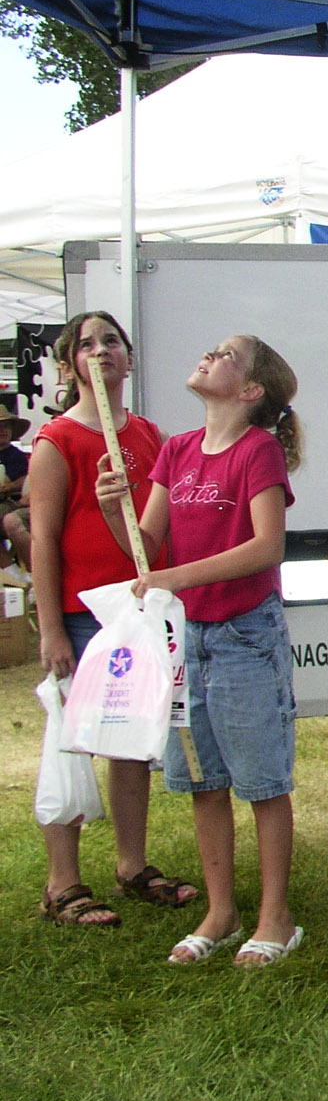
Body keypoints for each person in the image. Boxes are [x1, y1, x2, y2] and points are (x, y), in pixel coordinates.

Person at [98, 334, 303, 967]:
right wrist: (115, 511)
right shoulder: (177, 451)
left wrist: (174, 580)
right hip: (186, 639)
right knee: (202, 780)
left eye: (226, 355)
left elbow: (267, 546)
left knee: (263, 782)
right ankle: (221, 911)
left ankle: (277, 916)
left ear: (250, 391)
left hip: (244, 635)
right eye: (210, 349)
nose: (208, 355)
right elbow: (148, 544)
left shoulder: (258, 451)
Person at [33, 311, 198, 929]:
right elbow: (43, 540)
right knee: (71, 739)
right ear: (69, 363)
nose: (99, 351)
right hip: (82, 615)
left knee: (131, 740)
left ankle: (132, 864)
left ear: (128, 359)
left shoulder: (150, 435)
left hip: (136, 610)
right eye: (85, 344)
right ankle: (62, 882)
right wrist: (51, 629)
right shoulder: (60, 440)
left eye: (110, 342)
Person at [0, 406, 31, 575]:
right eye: (0, 426)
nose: (3, 430)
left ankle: (16, 576)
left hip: (12, 503)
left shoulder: (16, 456)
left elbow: (27, 478)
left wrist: (10, 487)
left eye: (6, 426)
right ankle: (12, 574)